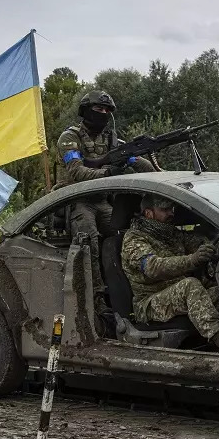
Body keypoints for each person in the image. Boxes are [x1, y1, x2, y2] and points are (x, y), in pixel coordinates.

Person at [55, 89, 156, 320]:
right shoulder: (70, 138)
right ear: (85, 111)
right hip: (77, 200)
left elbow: (141, 164)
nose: (103, 113)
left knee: (129, 237)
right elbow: (77, 172)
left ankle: (135, 292)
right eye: (98, 109)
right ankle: (97, 302)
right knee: (88, 242)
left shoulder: (112, 140)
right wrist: (109, 172)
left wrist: (144, 159)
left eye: (106, 110)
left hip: (102, 201)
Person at [121, 195, 219, 351]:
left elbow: (198, 243)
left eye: (171, 209)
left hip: (176, 294)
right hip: (150, 302)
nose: (171, 213)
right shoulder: (134, 238)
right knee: (190, 286)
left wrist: (215, 244)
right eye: (164, 210)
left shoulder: (170, 234)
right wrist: (193, 259)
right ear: (148, 213)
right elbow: (153, 267)